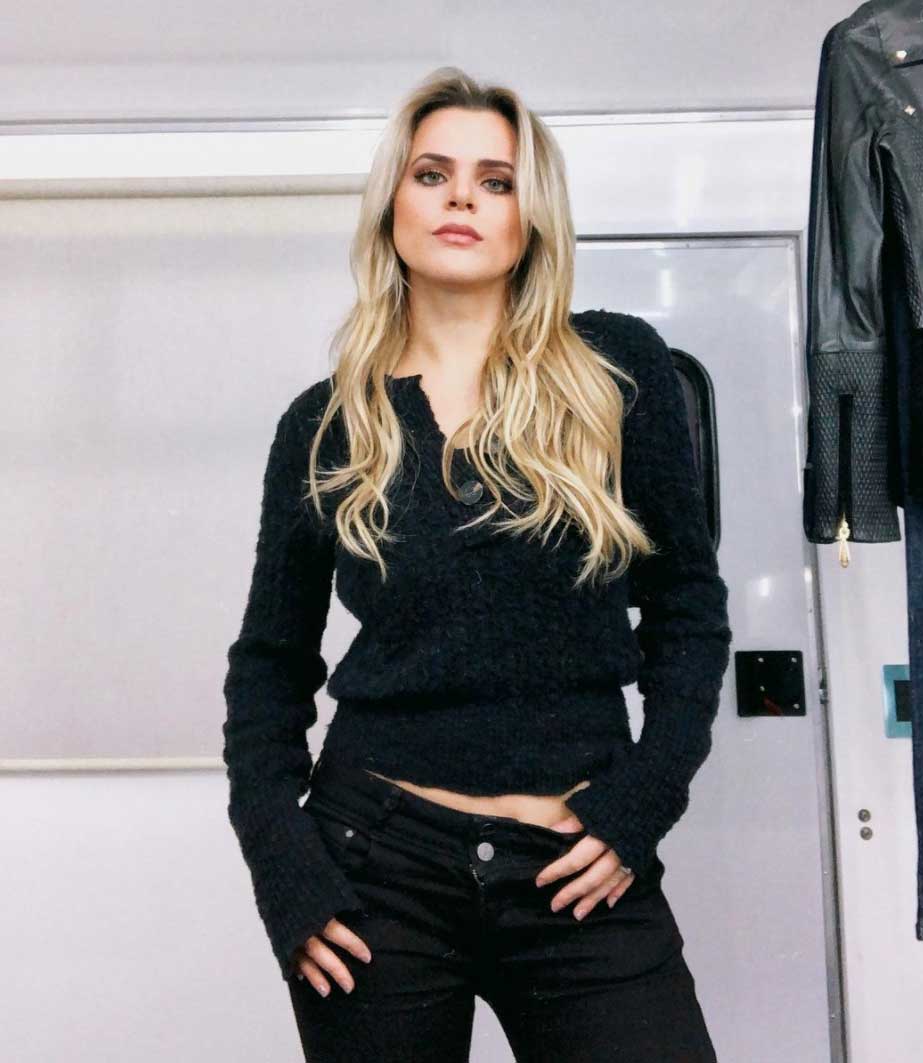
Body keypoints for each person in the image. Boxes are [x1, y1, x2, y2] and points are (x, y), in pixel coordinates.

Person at [222, 65, 731, 1063]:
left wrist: (640, 804)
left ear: (529, 219)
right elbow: (269, 665)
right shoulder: (323, 425)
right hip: (377, 869)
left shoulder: (617, 373)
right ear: (393, 207)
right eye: (433, 174)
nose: (462, 198)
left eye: (495, 181)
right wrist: (285, 865)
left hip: (577, 860)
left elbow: (688, 608)